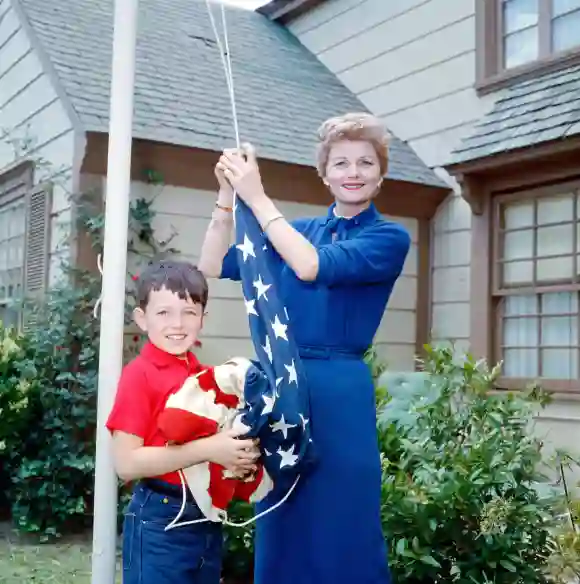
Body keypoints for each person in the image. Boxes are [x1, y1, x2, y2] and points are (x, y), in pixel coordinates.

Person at [198, 112, 411, 584]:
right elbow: (211, 265)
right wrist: (228, 192)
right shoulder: (296, 229)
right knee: (283, 513)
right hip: (283, 387)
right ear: (325, 173)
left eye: (364, 163)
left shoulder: (388, 237)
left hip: (339, 392)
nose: (352, 172)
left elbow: (311, 266)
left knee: (344, 520)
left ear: (381, 174)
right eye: (340, 163)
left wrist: (257, 194)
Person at [106, 260, 260, 584]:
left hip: (205, 516)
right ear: (141, 318)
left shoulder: (204, 377)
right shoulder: (139, 375)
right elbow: (127, 463)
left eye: (189, 312)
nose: (177, 323)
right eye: (164, 312)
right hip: (160, 517)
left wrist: (236, 454)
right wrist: (208, 449)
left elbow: (213, 450)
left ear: (203, 318)